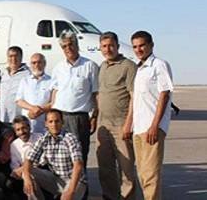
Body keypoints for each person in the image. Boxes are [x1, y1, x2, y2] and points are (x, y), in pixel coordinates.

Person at [130, 31, 173, 200]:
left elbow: (164, 94)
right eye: (135, 46)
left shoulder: (159, 65)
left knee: (150, 174)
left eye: (142, 45)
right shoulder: (139, 68)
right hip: (139, 128)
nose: (138, 49)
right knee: (142, 173)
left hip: (151, 127)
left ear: (151, 45)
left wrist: (155, 125)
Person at [96, 32, 138, 200]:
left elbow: (134, 96)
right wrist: (95, 118)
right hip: (103, 125)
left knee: (126, 169)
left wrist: (128, 124)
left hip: (121, 124)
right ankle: (110, 196)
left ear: (118, 46)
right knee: (105, 168)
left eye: (111, 45)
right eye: (104, 46)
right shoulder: (102, 67)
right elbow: (100, 95)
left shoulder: (128, 66)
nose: (108, 49)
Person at [50, 30, 99, 169]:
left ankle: (81, 189)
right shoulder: (58, 68)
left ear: (77, 45)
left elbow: (96, 94)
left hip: (79, 119)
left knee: (79, 156)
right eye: (64, 46)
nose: (68, 48)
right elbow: (55, 93)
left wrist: (94, 117)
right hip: (60, 118)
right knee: (61, 156)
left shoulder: (90, 66)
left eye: (71, 44)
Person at [21, 109, 86, 200]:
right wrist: (27, 178)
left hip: (75, 181)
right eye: (50, 122)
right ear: (46, 124)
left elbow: (78, 165)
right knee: (27, 172)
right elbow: (29, 159)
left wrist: (70, 190)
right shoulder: (44, 139)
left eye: (57, 121)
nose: (54, 125)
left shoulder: (70, 138)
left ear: (62, 122)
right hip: (56, 180)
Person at [16, 53, 54, 134]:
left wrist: (39, 111)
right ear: (30, 65)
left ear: (44, 64)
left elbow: (53, 102)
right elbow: (19, 100)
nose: (36, 65)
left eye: (39, 62)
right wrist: (32, 108)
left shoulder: (51, 81)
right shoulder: (24, 81)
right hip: (26, 127)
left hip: (45, 127)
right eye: (34, 63)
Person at [7, 115, 43, 199]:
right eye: (18, 130)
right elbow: (14, 167)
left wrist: (25, 168)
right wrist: (23, 171)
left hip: (41, 170)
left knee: (30, 175)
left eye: (24, 128)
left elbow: (42, 160)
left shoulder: (39, 137)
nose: (21, 132)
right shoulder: (14, 145)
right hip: (22, 174)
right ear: (15, 132)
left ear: (29, 127)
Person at [0, 46, 30, 126]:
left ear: (21, 57)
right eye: (10, 56)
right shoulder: (4, 73)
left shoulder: (28, 74)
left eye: (16, 56)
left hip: (18, 119)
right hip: (3, 117)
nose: (13, 59)